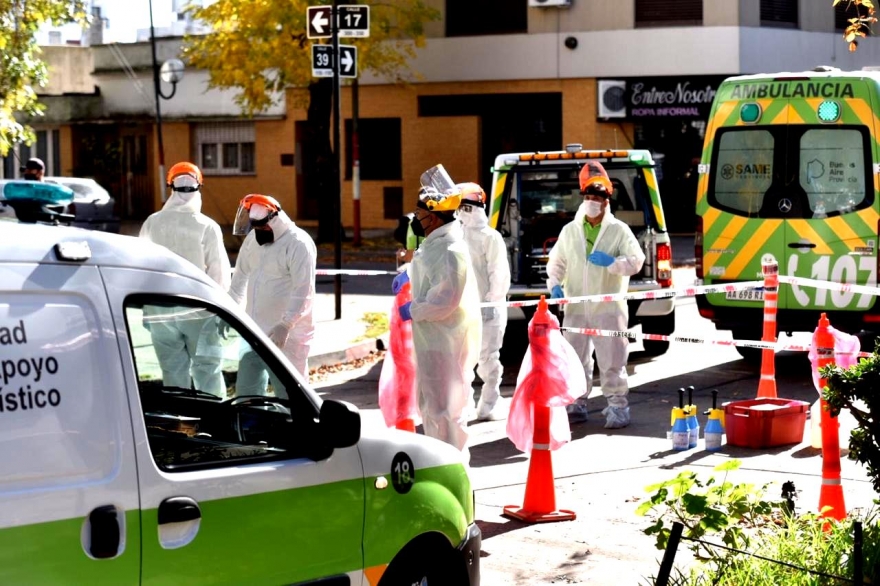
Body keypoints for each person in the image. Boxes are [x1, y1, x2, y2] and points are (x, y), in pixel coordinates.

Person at [546, 161, 645, 429]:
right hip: (576, 306)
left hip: (608, 308)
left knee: (612, 360)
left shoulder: (618, 230)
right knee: (576, 359)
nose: (592, 202)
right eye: (588, 197)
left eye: (597, 198)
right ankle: (577, 402)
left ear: (606, 202)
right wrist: (555, 284)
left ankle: (617, 407)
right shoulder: (570, 231)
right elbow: (557, 262)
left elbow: (637, 260)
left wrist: (613, 263)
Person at [395, 167, 481, 456]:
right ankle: (442, 467)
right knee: (434, 408)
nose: (416, 220)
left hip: (446, 341)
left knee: (445, 411)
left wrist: (414, 309)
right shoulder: (437, 244)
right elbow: (430, 273)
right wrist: (409, 272)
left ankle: (453, 472)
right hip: (435, 340)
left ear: (433, 216)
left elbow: (445, 299)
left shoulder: (449, 248)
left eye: (419, 215)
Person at [139, 162, 232, 398]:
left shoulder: (152, 222)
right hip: (200, 310)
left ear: (170, 186)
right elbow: (219, 273)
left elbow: (142, 267)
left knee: (172, 371)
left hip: (160, 310)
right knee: (208, 371)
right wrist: (224, 310)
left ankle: (179, 424)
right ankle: (214, 423)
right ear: (199, 187)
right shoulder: (207, 226)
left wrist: (146, 307)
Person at [230, 194, 316, 394]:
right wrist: (230, 308)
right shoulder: (252, 240)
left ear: (275, 221)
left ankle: (295, 425)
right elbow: (240, 276)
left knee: (291, 394)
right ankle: (251, 424)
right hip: (253, 330)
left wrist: (286, 324)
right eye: (256, 227)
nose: (259, 232)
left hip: (287, 336)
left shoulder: (298, 243)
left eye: (263, 227)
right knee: (247, 392)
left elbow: (303, 290)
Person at [457, 181, 511, 421]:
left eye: (466, 207)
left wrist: (491, 303)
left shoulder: (490, 237)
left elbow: (498, 273)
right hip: (462, 309)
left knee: (488, 359)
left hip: (487, 309)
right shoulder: (455, 235)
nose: (462, 212)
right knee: (463, 361)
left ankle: (489, 403)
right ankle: (464, 404)